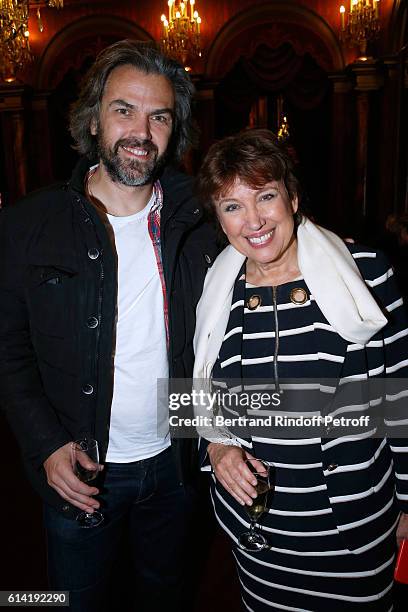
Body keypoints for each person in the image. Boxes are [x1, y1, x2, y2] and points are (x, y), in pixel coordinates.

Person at [0, 40, 217, 612]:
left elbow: (277, 224)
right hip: (80, 473)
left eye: (159, 116)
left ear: (176, 128)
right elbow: (8, 351)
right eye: (124, 109)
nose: (141, 131)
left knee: (164, 597)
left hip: (176, 467)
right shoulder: (27, 225)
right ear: (94, 117)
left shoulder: (203, 214)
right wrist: (46, 444)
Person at [193, 129, 408, 611]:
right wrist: (216, 446)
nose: (253, 221)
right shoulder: (216, 289)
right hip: (262, 533)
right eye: (232, 206)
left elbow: (401, 399)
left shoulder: (365, 274)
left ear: (291, 197)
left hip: (353, 529)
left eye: (265, 196)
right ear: (219, 219)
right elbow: (201, 397)